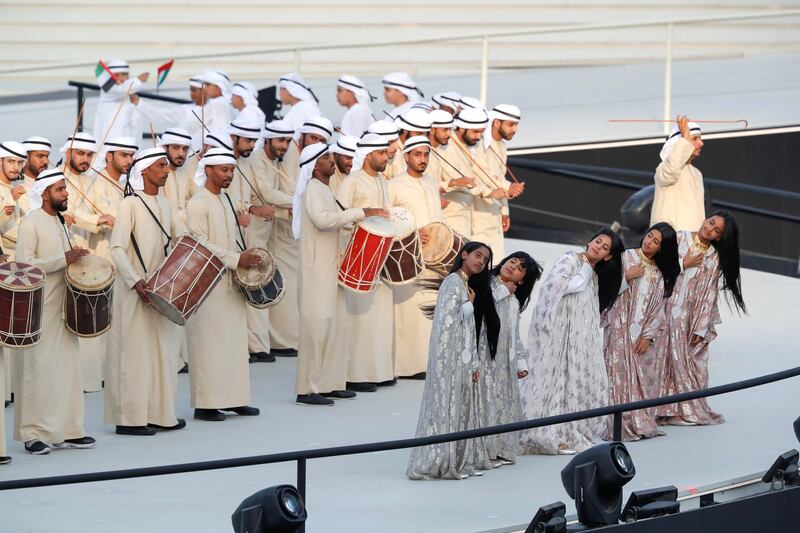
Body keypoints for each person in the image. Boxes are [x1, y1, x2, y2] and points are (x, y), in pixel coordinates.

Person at [293, 143, 388, 406]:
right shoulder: (312, 189)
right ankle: (306, 389)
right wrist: (362, 212)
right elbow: (324, 220)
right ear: (313, 166)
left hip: (334, 267)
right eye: (325, 158)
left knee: (335, 326)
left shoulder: (326, 189)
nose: (331, 161)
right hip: (316, 270)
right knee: (315, 328)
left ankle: (330, 383)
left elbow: (336, 218)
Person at [519, 228, 625, 455]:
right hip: (556, 334)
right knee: (550, 378)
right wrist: (584, 272)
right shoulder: (570, 259)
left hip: (577, 341)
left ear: (608, 256)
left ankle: (566, 432)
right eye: (598, 241)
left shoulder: (595, 276)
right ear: (590, 241)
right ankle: (541, 431)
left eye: (605, 247)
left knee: (571, 382)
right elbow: (553, 288)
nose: (598, 247)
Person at [106, 147, 188, 436]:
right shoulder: (130, 203)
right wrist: (134, 280)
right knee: (135, 355)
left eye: (166, 166)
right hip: (134, 291)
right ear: (144, 171)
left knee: (162, 353)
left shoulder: (166, 204)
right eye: (161, 165)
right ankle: (130, 420)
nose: (167, 170)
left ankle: (160, 414)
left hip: (161, 291)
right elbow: (115, 247)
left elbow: (180, 241)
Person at [14, 168, 94, 455]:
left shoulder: (60, 222)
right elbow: (23, 266)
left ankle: (68, 430)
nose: (66, 194)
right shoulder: (31, 223)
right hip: (39, 309)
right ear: (45, 193)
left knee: (67, 370)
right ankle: (32, 433)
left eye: (66, 189)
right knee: (37, 371)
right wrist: (63, 258)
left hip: (64, 308)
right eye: (61, 189)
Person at [185, 147, 262, 421]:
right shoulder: (197, 203)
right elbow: (198, 243)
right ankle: (206, 405)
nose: (229, 175)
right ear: (208, 170)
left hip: (232, 280)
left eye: (231, 170)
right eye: (223, 170)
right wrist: (235, 258)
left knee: (233, 343)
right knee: (208, 344)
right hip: (206, 284)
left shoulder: (227, 200)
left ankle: (236, 399)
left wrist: (245, 259)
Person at [406, 242, 492, 480]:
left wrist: (473, 362)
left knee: (459, 408)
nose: (480, 262)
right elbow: (445, 321)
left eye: (484, 260)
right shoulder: (452, 282)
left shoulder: (464, 284)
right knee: (445, 406)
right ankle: (439, 461)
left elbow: (468, 328)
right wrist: (468, 306)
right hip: (449, 361)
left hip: (461, 360)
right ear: (464, 254)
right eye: (477, 255)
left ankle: (455, 459)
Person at [657, 210, 746, 426]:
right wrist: (683, 263)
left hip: (689, 318)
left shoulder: (713, 258)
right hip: (662, 308)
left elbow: (709, 295)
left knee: (686, 362)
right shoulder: (679, 238)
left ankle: (682, 410)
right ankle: (659, 410)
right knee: (660, 360)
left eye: (717, 231)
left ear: (719, 238)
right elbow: (657, 267)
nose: (710, 229)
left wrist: (701, 327)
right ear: (706, 218)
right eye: (711, 223)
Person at [602, 223, 679, 441]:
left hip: (642, 336)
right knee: (616, 376)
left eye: (656, 242)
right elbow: (605, 289)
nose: (649, 242)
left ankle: (639, 422)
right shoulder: (625, 257)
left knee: (642, 379)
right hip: (618, 329)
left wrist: (648, 336)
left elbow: (658, 311)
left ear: (662, 249)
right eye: (649, 236)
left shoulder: (659, 274)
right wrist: (627, 277)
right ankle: (618, 426)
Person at [78, 136, 138, 392]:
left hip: (120, 261)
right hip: (98, 259)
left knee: (113, 320)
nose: (129, 160)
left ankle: (105, 373)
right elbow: (72, 214)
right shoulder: (94, 183)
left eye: (131, 156)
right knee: (94, 319)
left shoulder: (125, 185)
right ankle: (87, 378)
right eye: (123, 155)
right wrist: (99, 220)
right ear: (109, 156)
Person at [338, 134, 396, 391]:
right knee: (359, 319)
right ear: (369, 154)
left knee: (379, 317)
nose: (386, 157)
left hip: (381, 255)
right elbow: (340, 217)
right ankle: (354, 375)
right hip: (358, 258)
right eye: (382, 153)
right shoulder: (352, 182)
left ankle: (379, 371)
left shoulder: (383, 181)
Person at [387, 136, 442, 378]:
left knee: (428, 309)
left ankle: (424, 363)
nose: (422, 159)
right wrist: (412, 233)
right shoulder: (394, 185)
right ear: (406, 156)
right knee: (407, 311)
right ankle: (404, 366)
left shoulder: (431, 182)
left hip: (433, 256)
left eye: (426, 154)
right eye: (417, 155)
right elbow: (388, 219)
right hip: (406, 253)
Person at [482, 252, 541, 464]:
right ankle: (483, 451)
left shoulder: (514, 301)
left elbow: (514, 335)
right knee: (485, 403)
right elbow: (482, 306)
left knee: (501, 404)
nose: (513, 266)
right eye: (512, 261)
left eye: (519, 268)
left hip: (503, 364)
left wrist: (519, 362)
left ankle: (497, 448)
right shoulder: (487, 283)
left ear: (522, 279)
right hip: (485, 358)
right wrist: (502, 290)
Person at [441, 109, 506, 238]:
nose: (478, 136)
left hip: (466, 214)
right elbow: (461, 179)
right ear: (461, 128)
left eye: (481, 132)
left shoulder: (468, 146)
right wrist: (490, 192)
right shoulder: (447, 146)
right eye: (475, 132)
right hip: (451, 213)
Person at [478, 104, 526, 257]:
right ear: (497, 123)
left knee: (496, 260)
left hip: (495, 212)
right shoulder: (479, 144)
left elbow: (500, 177)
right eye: (511, 124)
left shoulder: (502, 146)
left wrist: (505, 211)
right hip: (478, 211)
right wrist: (509, 187)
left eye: (516, 125)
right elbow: (482, 174)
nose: (515, 129)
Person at [651, 115, 705, 231]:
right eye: (695, 139)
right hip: (669, 241)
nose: (701, 143)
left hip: (692, 245)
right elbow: (671, 170)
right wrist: (685, 137)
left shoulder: (697, 173)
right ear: (679, 141)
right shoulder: (663, 168)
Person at [93, 59, 147, 141]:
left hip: (126, 140)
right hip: (107, 139)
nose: (120, 78)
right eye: (116, 75)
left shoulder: (129, 93)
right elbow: (121, 89)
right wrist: (138, 80)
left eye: (123, 74)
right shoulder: (107, 89)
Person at [277, 73, 321, 138]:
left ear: (290, 89)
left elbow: (295, 138)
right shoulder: (299, 107)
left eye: (281, 89)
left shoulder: (303, 108)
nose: (279, 94)